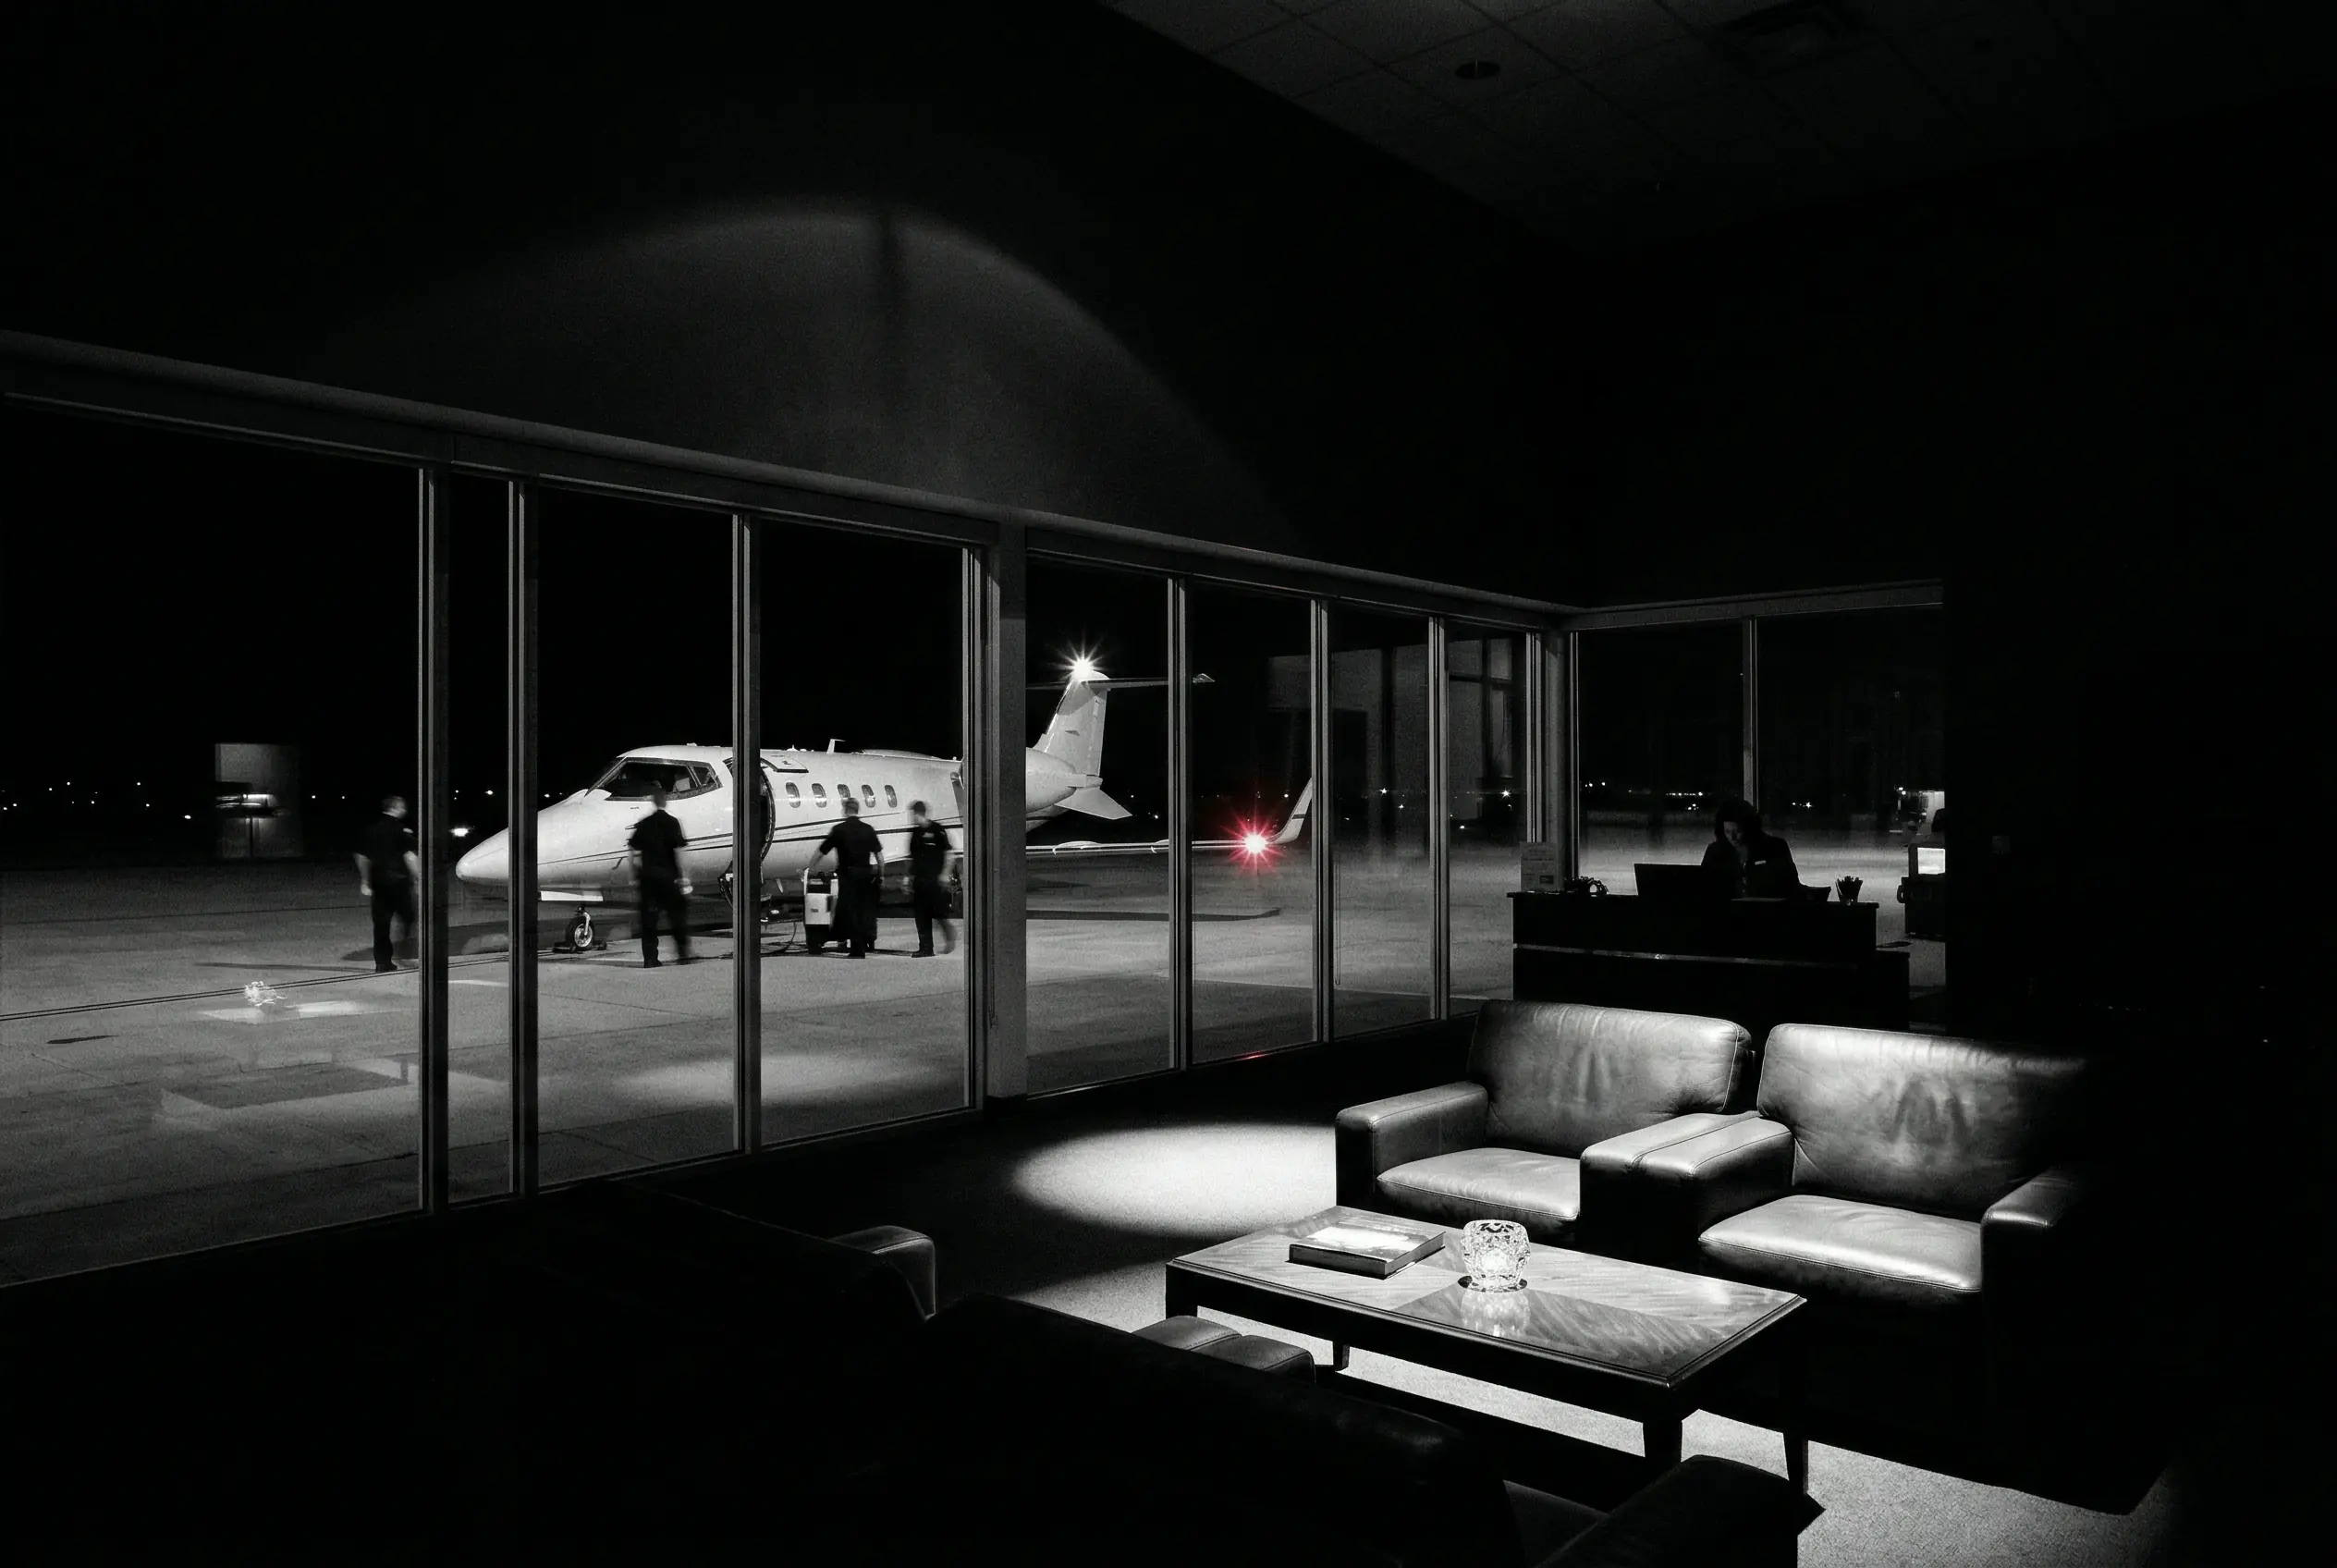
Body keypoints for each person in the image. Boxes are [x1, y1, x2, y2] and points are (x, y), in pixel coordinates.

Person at [629, 783, 692, 966]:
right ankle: (683, 955)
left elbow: (634, 852)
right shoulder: (672, 822)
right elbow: (679, 851)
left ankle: (650, 959)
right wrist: (685, 877)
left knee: (649, 921)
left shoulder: (644, 824)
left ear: (653, 801)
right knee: (677, 918)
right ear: (664, 801)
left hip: (648, 879)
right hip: (669, 878)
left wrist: (635, 876)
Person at [814, 794, 885, 958]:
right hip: (865, 874)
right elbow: (880, 858)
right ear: (857, 810)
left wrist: (811, 868)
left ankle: (851, 946)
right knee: (863, 910)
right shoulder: (868, 829)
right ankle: (861, 944)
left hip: (847, 875)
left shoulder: (839, 829)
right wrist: (881, 875)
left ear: (845, 811)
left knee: (848, 910)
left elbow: (822, 851)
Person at [355, 794, 419, 974]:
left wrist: (365, 880)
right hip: (399, 882)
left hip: (379, 882)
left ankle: (382, 962)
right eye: (402, 807)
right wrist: (418, 878)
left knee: (381, 924)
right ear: (396, 808)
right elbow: (410, 856)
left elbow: (361, 857)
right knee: (409, 917)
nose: (404, 810)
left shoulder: (371, 830)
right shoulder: (402, 830)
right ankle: (405, 950)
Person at [1701, 798, 1802, 900]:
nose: (1732, 837)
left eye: (1738, 831)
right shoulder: (1715, 851)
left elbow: (1791, 885)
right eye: (1727, 831)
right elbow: (1703, 885)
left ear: (1750, 828)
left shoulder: (1775, 847)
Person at [904, 800, 957, 957]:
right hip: (919, 880)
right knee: (921, 915)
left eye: (913, 814)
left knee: (938, 912)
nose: (911, 817)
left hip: (935, 879)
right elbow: (912, 858)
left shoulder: (937, 830)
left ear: (918, 814)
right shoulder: (915, 833)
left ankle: (948, 932)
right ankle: (926, 948)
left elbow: (949, 854)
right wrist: (907, 878)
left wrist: (945, 874)